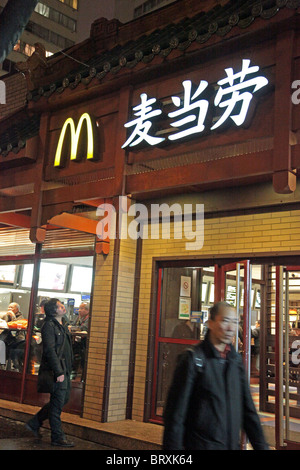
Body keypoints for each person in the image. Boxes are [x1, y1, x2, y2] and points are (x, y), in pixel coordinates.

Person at [163, 301, 269, 450]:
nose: (231, 328)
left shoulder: (234, 361)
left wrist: (261, 446)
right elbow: (175, 416)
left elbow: (248, 411)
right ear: (210, 323)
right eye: (225, 321)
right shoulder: (193, 360)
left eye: (235, 322)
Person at [26, 298, 74, 447]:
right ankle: (57, 437)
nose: (63, 308)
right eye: (60, 306)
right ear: (54, 310)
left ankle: (35, 422)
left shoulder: (62, 324)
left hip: (65, 369)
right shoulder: (49, 326)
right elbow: (50, 351)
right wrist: (58, 371)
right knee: (57, 404)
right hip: (58, 370)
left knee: (61, 400)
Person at [69, 302, 89, 380]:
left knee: (83, 360)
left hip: (84, 344)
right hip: (77, 343)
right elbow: (72, 325)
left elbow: (83, 328)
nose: (79, 310)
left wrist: (73, 328)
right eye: (79, 308)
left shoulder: (89, 318)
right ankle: (73, 374)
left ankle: (82, 378)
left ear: (87, 310)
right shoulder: (79, 317)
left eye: (81, 308)